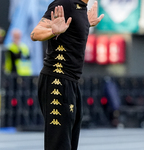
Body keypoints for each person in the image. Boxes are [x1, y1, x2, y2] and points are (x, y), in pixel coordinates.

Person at [30, 0, 104, 149]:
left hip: (72, 82)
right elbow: (35, 33)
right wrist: (53, 31)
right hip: (57, 80)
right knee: (59, 145)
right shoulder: (64, 3)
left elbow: (71, 34)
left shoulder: (81, 8)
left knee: (69, 144)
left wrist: (87, 23)